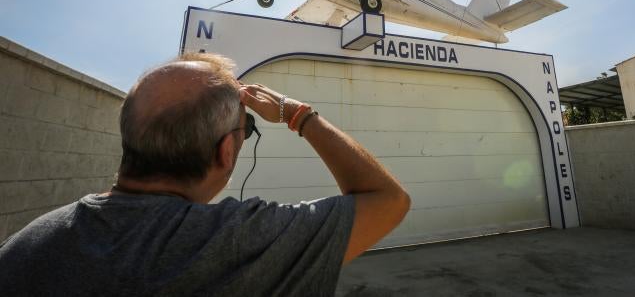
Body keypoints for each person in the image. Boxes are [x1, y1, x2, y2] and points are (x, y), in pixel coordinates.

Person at [0, 53, 410, 296]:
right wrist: (299, 115)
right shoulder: (243, 242)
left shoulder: (25, 246)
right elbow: (388, 200)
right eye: (245, 132)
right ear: (226, 150)